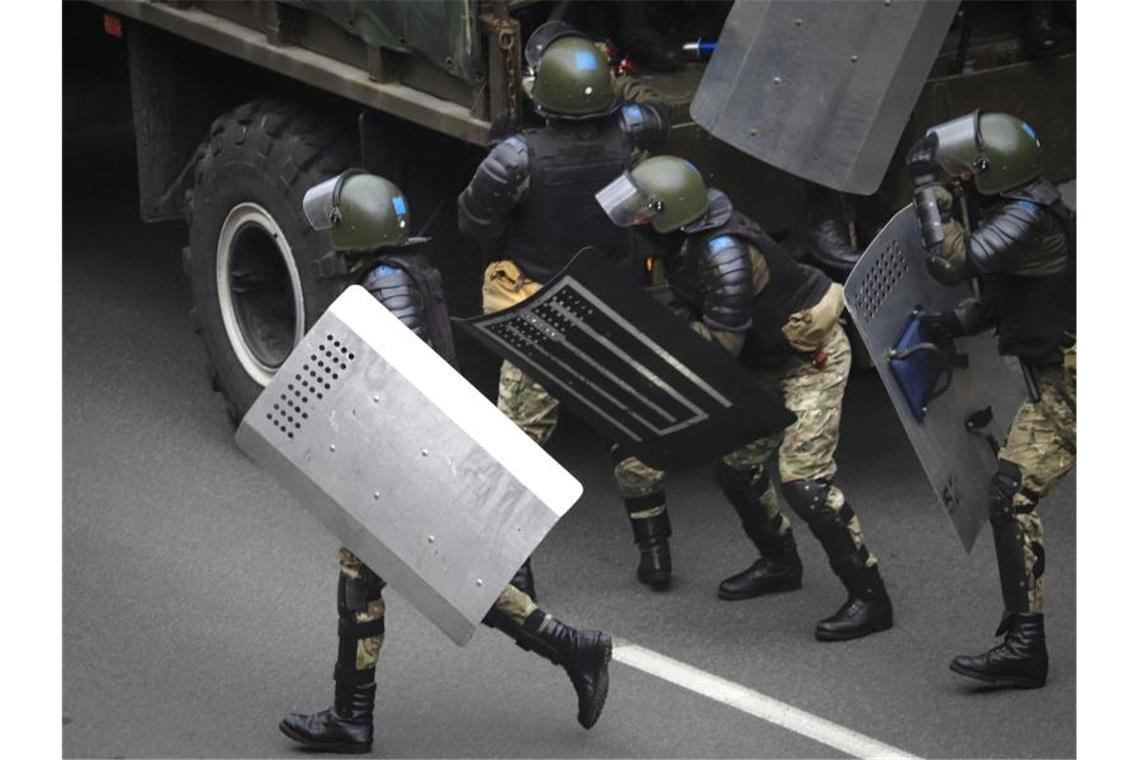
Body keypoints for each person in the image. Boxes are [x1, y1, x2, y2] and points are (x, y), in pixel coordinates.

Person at [279, 170, 613, 754]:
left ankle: (352, 719)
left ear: (354, 229)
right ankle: (570, 649)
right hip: (415, 458)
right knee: (431, 581)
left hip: (407, 461)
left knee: (391, 581)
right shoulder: (401, 272)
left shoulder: (386, 283)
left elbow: (397, 380)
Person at [595, 156, 895, 641]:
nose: (636, 223)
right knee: (736, 467)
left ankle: (870, 597)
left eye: (643, 215)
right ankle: (781, 563)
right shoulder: (686, 241)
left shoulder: (723, 253)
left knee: (807, 484)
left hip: (807, 362)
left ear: (672, 214)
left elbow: (719, 348)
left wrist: (652, 337)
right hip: (763, 359)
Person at [457, 21, 673, 594]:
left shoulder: (517, 157)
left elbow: (474, 220)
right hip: (614, 304)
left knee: (519, 450)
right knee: (632, 432)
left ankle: (516, 571)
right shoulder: (630, 137)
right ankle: (656, 556)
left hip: (541, 311)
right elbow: (656, 113)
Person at [906, 111, 1075, 688]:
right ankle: (1026, 648)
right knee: (1011, 494)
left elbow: (952, 261)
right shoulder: (1021, 210)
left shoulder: (1028, 215)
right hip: (1058, 384)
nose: (957, 171)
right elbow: (1013, 295)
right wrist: (955, 324)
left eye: (966, 165)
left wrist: (929, 191)